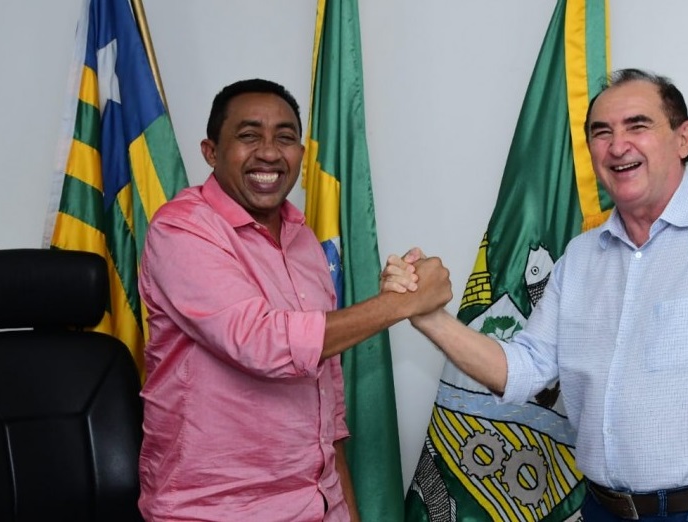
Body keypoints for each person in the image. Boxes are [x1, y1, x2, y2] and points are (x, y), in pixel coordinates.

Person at [384, 69, 688, 522]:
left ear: (683, 138)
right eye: (601, 132)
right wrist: (428, 315)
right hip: (601, 509)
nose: (617, 145)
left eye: (637, 125)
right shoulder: (580, 256)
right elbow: (523, 370)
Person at [137, 78, 452, 522]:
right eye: (249, 136)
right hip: (214, 510)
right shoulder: (181, 230)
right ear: (211, 152)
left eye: (285, 138)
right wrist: (402, 303)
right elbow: (261, 342)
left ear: (301, 155)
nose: (269, 152)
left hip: (316, 505)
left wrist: (345, 512)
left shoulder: (304, 241)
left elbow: (326, 400)